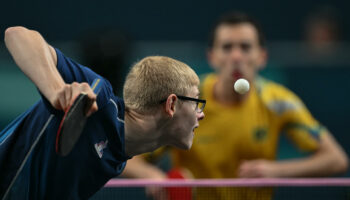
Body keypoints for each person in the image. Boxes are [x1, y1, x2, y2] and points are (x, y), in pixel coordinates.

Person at [122, 12, 349, 199]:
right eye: (227, 47)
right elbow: (127, 156)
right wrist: (156, 177)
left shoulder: (279, 102)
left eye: (245, 47)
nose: (236, 56)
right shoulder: (187, 101)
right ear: (212, 56)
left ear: (262, 56)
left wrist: (277, 172)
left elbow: (337, 159)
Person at [0, 26, 205, 200]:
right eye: (196, 102)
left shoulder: (119, 156)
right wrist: (57, 90)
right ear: (171, 104)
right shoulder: (99, 98)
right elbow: (17, 35)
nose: (201, 114)